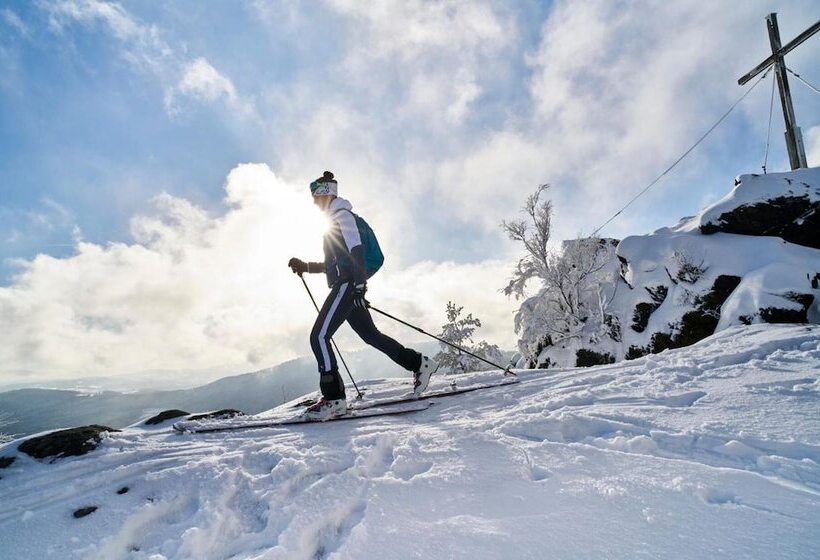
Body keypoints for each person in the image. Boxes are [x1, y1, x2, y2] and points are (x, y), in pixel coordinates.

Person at [288, 171, 438, 420]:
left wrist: (358, 287)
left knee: (319, 337)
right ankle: (419, 363)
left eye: (315, 197)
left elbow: (356, 250)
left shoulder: (341, 216)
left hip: (348, 286)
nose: (313, 202)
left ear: (326, 195)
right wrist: (306, 267)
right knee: (371, 336)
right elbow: (334, 264)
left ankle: (334, 399)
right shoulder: (336, 220)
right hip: (348, 283)